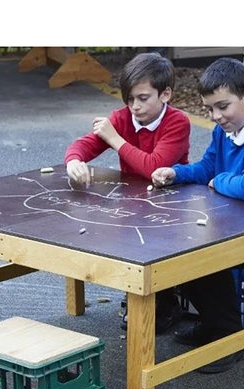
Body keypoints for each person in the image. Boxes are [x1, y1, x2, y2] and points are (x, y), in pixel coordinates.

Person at [151, 57, 244, 373]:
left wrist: (219, 181)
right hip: (238, 223)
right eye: (210, 109)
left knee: (204, 256)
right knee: (178, 244)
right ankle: (212, 323)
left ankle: (229, 337)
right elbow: (207, 167)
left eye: (223, 106)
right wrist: (176, 173)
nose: (216, 116)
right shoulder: (226, 130)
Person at [64, 52, 191, 333]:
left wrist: (114, 138)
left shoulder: (177, 122)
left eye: (143, 98)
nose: (135, 106)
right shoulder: (121, 118)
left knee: (159, 250)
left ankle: (167, 299)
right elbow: (83, 145)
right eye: (129, 99)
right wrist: (74, 161)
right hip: (134, 200)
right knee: (125, 242)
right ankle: (139, 298)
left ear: (165, 94)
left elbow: (154, 166)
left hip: (172, 200)